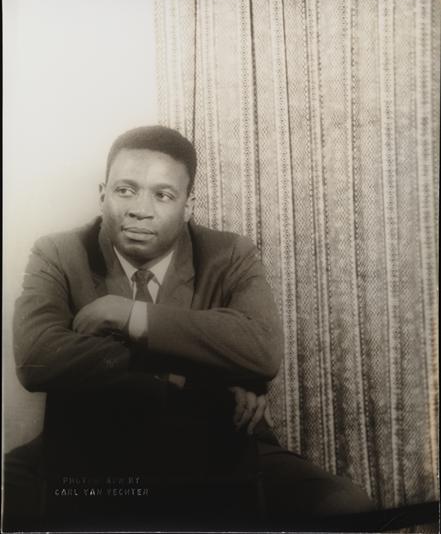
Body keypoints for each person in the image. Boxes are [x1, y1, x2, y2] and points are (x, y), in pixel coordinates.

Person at [3, 126, 374, 531]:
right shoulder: (59, 253)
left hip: (219, 446)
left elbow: (262, 349)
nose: (140, 210)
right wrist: (202, 372)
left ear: (188, 205)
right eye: (125, 190)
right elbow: (38, 358)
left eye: (163, 195)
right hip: (92, 448)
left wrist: (129, 315)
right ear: (102, 194)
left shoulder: (229, 253)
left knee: (347, 507)